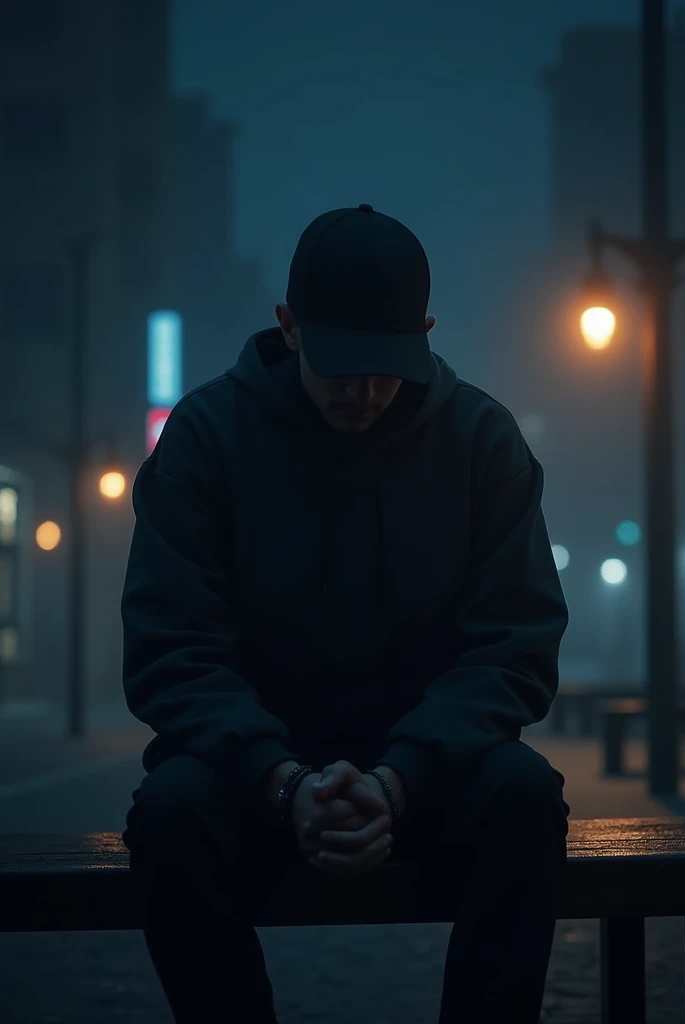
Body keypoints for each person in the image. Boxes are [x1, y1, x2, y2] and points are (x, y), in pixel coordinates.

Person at [121, 203, 570, 1023]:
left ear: (427, 331)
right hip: (250, 777)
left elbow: (514, 644)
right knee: (169, 814)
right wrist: (280, 778)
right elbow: (171, 646)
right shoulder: (206, 437)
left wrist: (400, 779)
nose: (362, 391)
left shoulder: (480, 440)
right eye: (339, 364)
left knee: (525, 798)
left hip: (433, 775)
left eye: (385, 365)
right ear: (289, 327)